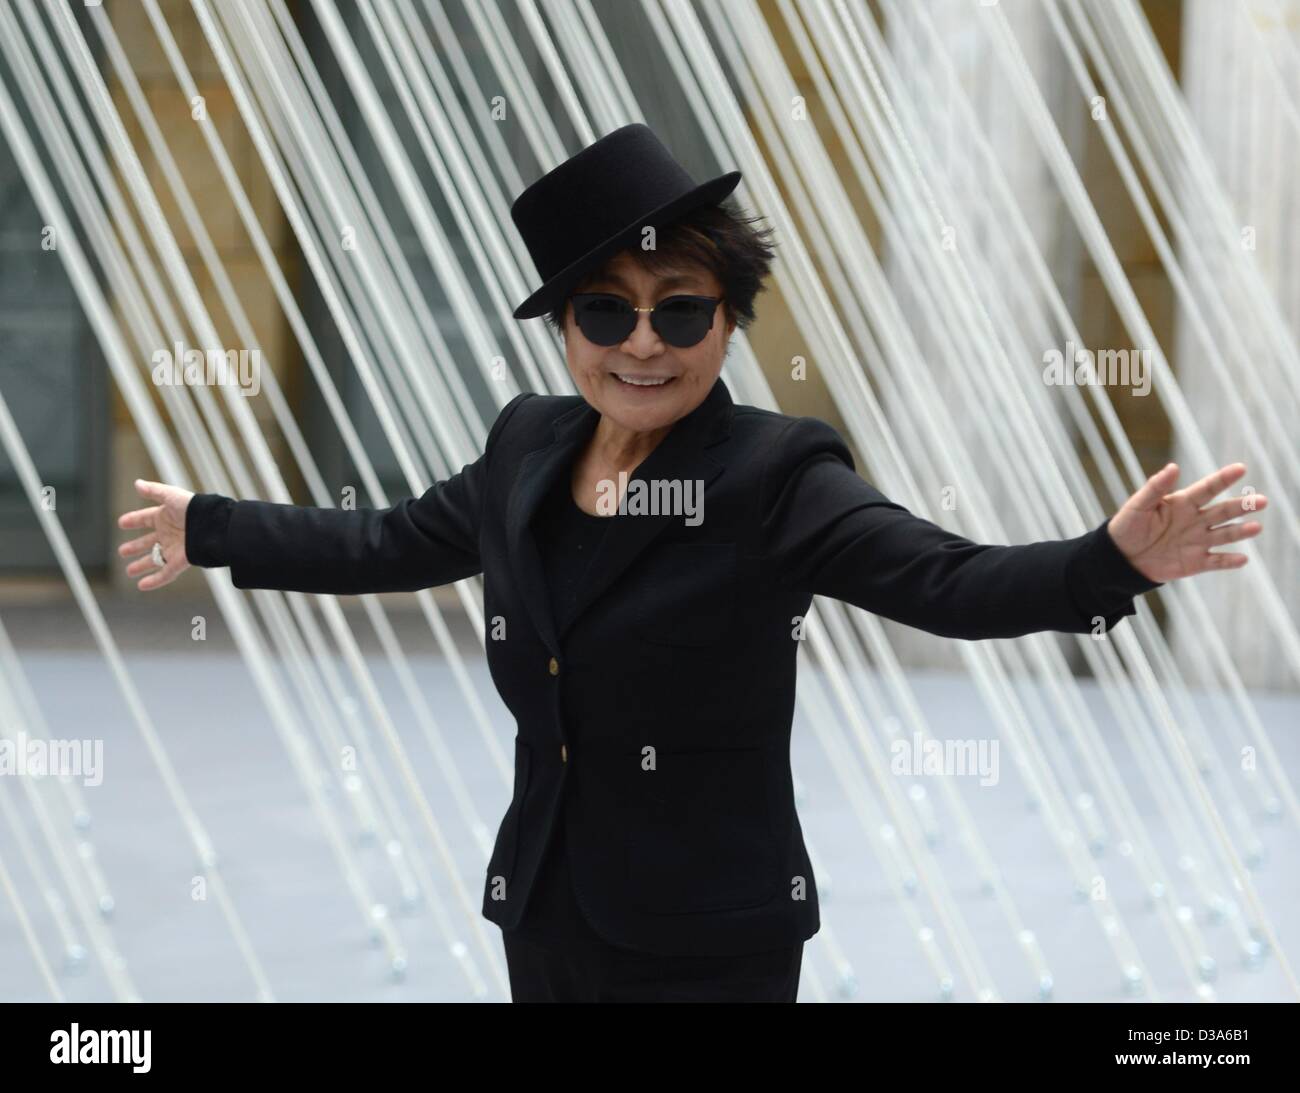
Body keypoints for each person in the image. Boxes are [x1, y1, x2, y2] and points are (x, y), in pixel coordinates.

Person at [117, 124, 1267, 1003]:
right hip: (549, 909)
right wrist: (208, 524)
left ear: (728, 322)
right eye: (606, 313)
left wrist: (1109, 562)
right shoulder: (527, 443)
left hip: (711, 937)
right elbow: (393, 540)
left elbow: (945, 580)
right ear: (564, 329)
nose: (642, 346)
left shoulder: (777, 476)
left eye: (681, 312)